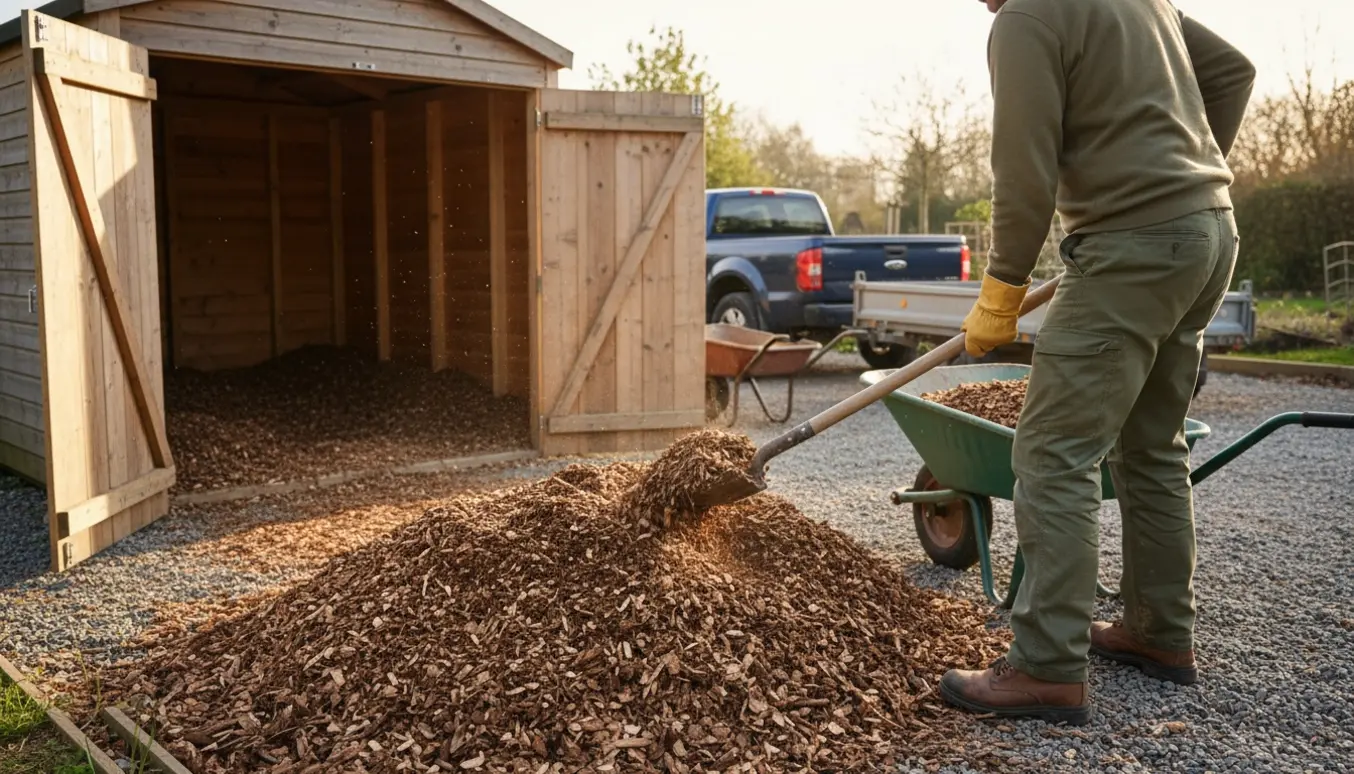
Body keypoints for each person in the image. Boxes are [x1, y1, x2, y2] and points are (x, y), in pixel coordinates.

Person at [940, 0, 1256, 725]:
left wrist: (1003, 288)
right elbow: (1232, 72)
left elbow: (1022, 171)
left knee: (1053, 452)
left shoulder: (1025, 19)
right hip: (1209, 232)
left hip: (1133, 246)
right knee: (1151, 446)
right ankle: (1159, 633)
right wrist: (1184, 179)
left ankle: (1046, 667)